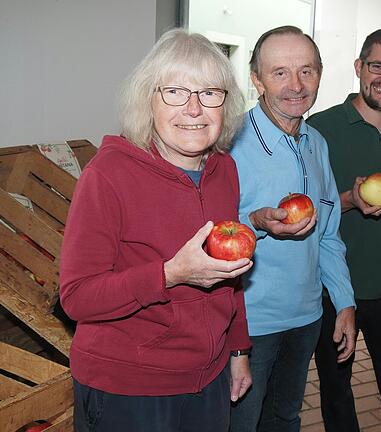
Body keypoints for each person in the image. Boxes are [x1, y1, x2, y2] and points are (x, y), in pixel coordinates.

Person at [59, 29, 253, 432]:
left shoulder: (225, 171)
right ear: (148, 99)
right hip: (130, 389)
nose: (195, 109)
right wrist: (169, 274)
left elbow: (232, 275)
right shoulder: (107, 175)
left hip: (210, 379)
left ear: (227, 104)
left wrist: (238, 350)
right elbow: (77, 298)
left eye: (210, 93)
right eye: (175, 92)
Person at [228, 25, 356, 432]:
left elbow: (329, 232)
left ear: (320, 74)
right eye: (280, 72)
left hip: (306, 317)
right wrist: (256, 223)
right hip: (250, 322)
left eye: (307, 71)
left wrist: (345, 302)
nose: (296, 85)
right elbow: (209, 231)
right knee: (240, 424)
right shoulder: (227, 143)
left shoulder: (317, 142)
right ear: (256, 80)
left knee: (285, 419)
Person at [307, 28, 381, 432]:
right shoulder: (319, 128)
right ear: (359, 67)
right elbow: (305, 207)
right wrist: (348, 200)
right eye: (378, 65)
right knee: (336, 391)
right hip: (331, 287)